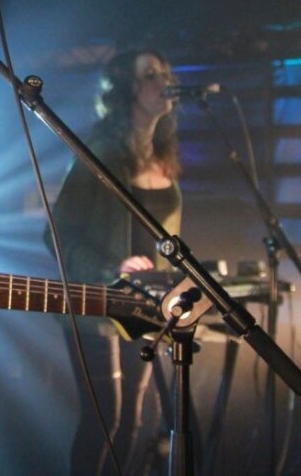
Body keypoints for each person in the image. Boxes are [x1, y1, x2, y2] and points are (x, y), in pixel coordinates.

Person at [47, 48, 182, 475]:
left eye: (164, 71)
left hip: (147, 304)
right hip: (98, 303)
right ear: (125, 89)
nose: (162, 81)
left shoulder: (162, 159)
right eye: (149, 75)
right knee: (106, 419)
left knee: (136, 421)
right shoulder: (99, 154)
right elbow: (57, 232)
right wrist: (111, 271)